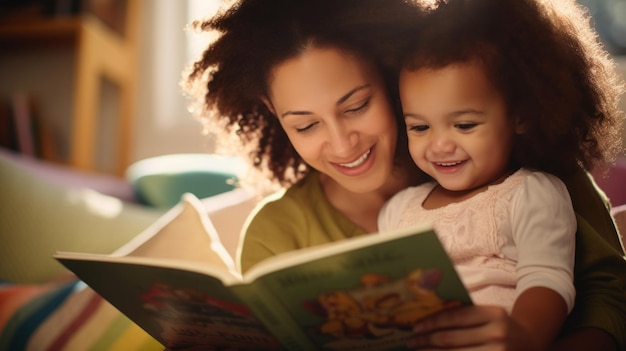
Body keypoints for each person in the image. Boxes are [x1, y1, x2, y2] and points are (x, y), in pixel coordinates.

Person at [183, 0, 626, 349]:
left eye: (356, 106)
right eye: (305, 124)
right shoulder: (276, 233)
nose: (342, 145)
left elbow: (611, 296)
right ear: (271, 113)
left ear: (390, 73)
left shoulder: (523, 158)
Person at [377, 0, 624, 349]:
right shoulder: (398, 210)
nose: (439, 145)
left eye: (464, 125)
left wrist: (524, 336)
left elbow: (547, 280)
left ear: (520, 117)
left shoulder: (531, 192)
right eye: (419, 127)